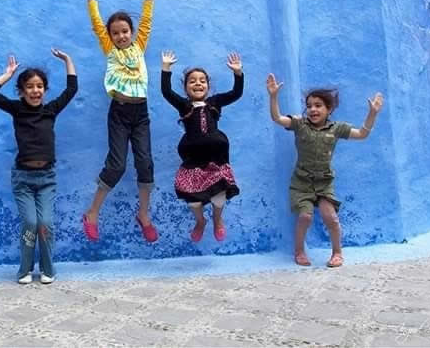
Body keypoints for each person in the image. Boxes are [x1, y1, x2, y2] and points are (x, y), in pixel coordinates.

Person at [76, 0, 160, 242]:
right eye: (116, 33)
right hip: (120, 113)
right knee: (116, 165)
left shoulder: (139, 45)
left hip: (141, 113)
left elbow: (147, 17)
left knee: (146, 164)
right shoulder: (109, 48)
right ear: (110, 37)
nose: (121, 36)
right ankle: (92, 213)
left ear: (131, 32)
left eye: (125, 31)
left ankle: (144, 214)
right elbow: (96, 21)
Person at [266, 73, 384, 267]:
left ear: (329, 109)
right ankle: (299, 251)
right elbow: (277, 118)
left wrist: (372, 114)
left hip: (324, 182)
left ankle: (337, 252)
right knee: (305, 216)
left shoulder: (337, 128)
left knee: (331, 217)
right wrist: (273, 96)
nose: (312, 109)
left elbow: (362, 134)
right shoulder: (299, 124)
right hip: (301, 182)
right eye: (309, 105)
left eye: (318, 105)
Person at [0, 51, 77, 284]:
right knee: (30, 223)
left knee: (45, 224)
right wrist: (7, 74)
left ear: (45, 90)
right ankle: (24, 270)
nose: (35, 90)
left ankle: (48, 269)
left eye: (39, 86)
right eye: (29, 87)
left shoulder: (51, 110)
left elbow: (71, 90)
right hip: (23, 179)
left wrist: (68, 61)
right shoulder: (17, 109)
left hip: (46, 178)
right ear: (22, 91)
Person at [161, 50, 244, 242]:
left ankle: (217, 218)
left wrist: (238, 73)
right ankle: (200, 221)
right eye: (192, 81)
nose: (197, 83)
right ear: (186, 88)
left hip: (215, 158)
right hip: (193, 159)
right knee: (194, 201)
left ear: (207, 86)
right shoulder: (184, 106)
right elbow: (166, 92)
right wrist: (166, 69)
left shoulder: (214, 102)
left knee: (219, 197)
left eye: (202, 81)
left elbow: (236, 93)